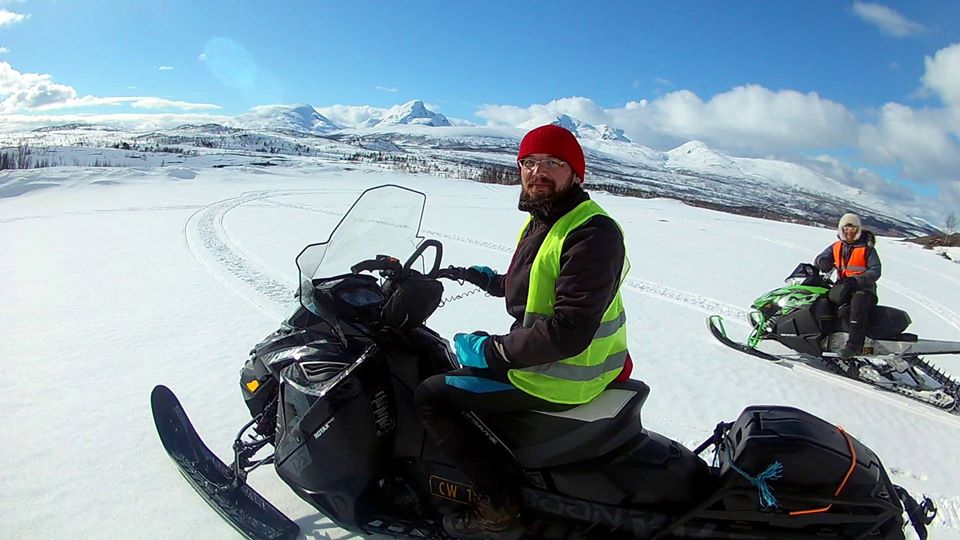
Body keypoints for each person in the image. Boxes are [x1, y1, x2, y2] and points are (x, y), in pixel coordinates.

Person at [415, 124, 631, 540]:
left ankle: (497, 509)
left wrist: (492, 352)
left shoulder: (592, 233)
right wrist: (484, 278)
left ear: (576, 173)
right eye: (529, 162)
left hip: (563, 374)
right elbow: (540, 285)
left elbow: (568, 330)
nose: (538, 172)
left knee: (432, 395)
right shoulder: (547, 219)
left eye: (553, 163)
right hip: (566, 360)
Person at [814, 213, 882, 360]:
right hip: (843, 288)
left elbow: (875, 271)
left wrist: (856, 280)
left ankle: (854, 346)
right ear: (841, 230)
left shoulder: (867, 249)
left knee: (857, 305)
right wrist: (822, 261)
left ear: (858, 230)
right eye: (846, 229)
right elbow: (819, 258)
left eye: (853, 229)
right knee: (823, 302)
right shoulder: (837, 246)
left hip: (864, 290)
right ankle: (822, 337)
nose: (849, 233)